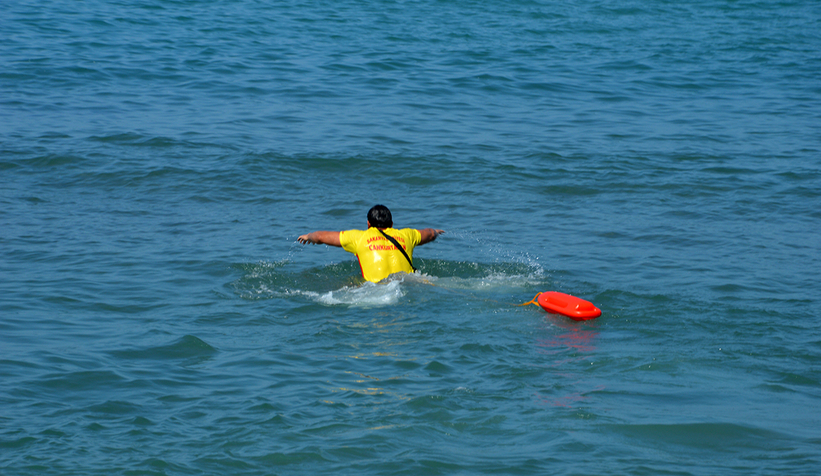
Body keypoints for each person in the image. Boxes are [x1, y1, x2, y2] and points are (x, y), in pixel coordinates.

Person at [297, 205, 444, 283]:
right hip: (412, 283)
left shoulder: (358, 238)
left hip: (375, 290)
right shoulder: (407, 235)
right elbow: (429, 234)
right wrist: (436, 231)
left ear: (368, 224)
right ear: (392, 224)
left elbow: (321, 236)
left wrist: (308, 236)